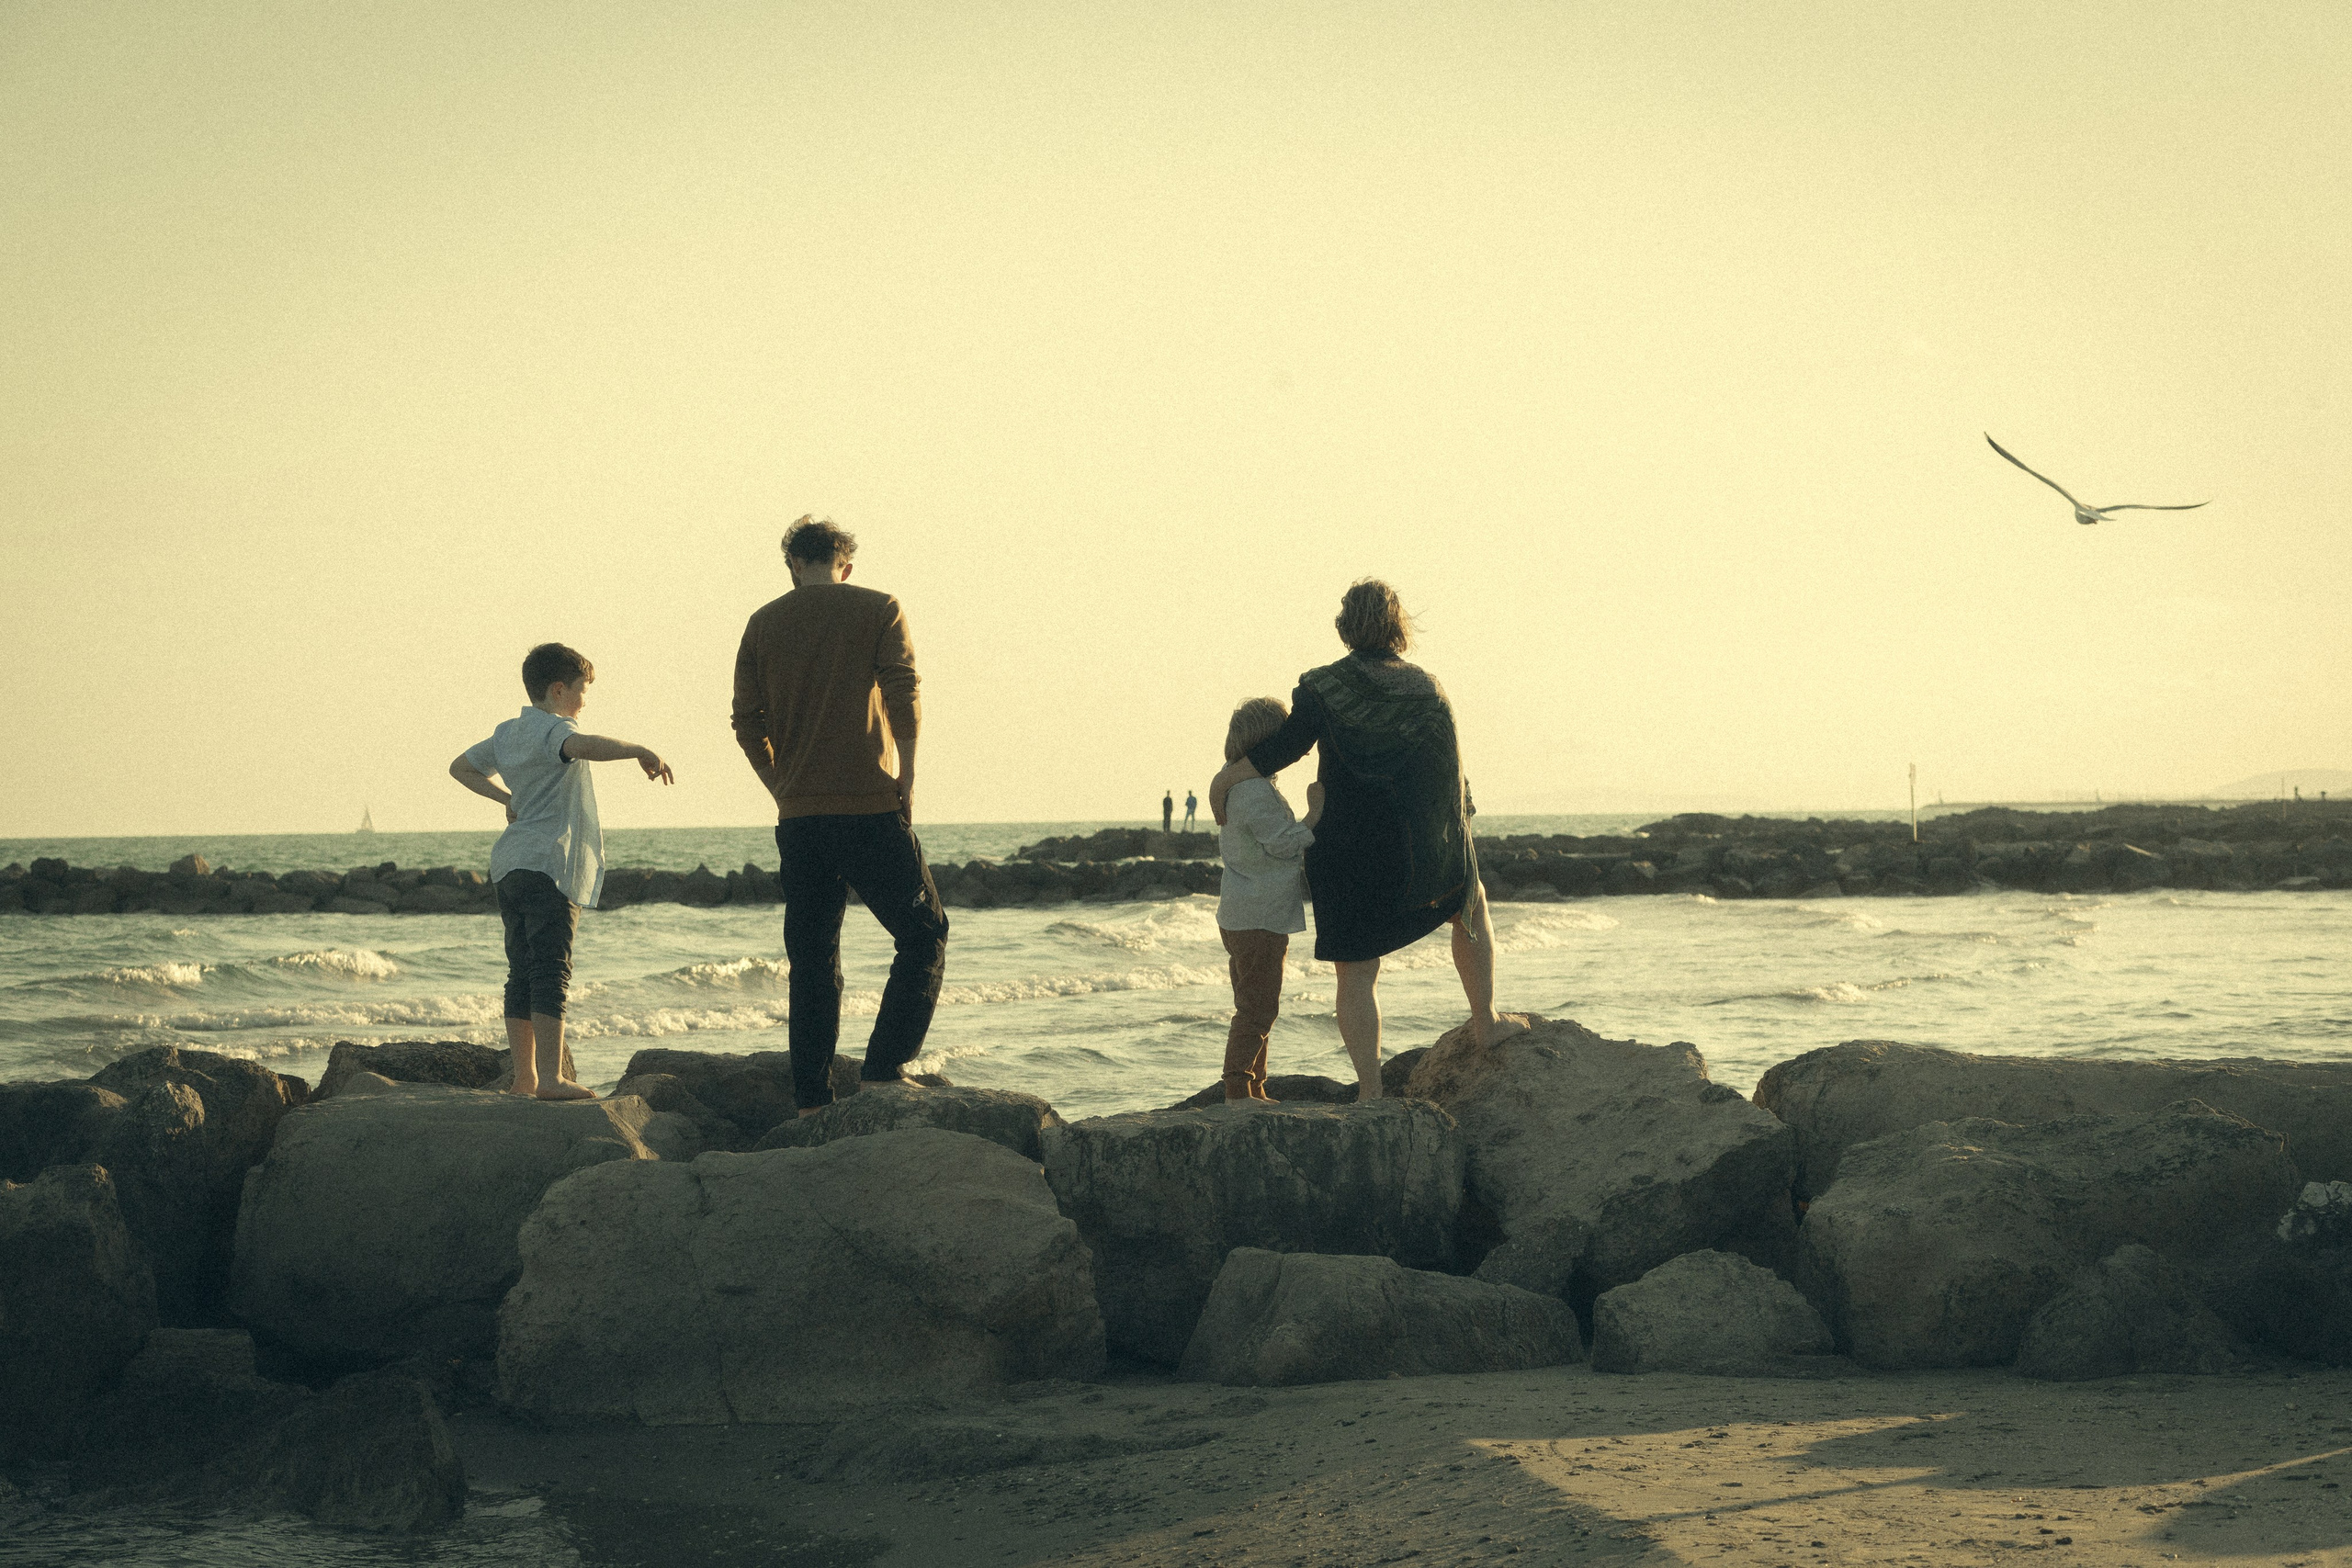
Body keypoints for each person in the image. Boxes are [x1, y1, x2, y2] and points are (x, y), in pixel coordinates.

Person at [1209, 579, 1505, 1100]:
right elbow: (1449, 774)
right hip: (1410, 847)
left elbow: (1284, 747)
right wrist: (1456, 837)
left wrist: (1226, 777)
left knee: (1357, 972)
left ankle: (1370, 1090)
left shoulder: (1322, 687)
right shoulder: (1427, 689)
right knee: (1470, 904)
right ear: (1398, 626)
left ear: (1345, 627)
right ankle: (1487, 1023)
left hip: (1344, 850)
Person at [732, 515, 948, 1116]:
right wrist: (907, 772)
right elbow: (903, 689)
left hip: (800, 818)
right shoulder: (878, 607)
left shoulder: (762, 623)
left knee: (813, 958)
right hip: (869, 805)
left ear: (794, 566)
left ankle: (811, 1100)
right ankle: (882, 1070)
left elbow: (746, 722)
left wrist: (781, 785)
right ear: (844, 565)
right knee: (924, 934)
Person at [450, 642, 673, 1100]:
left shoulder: (507, 733)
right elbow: (583, 745)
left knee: (521, 971)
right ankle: (551, 1079)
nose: (585, 700)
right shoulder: (556, 729)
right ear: (558, 690)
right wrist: (639, 750)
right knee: (551, 970)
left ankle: (524, 1079)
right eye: (582, 689)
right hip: (549, 864)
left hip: (509, 865)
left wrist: (507, 799)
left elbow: (460, 768)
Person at [1216, 698, 1324, 1101]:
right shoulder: (1253, 792)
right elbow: (1282, 844)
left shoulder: (1232, 782)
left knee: (1255, 1004)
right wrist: (1313, 815)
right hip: (1258, 916)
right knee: (1257, 1008)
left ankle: (1255, 1086)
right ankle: (1237, 1088)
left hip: (1241, 911)